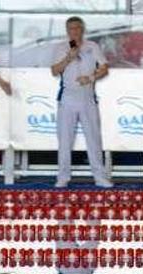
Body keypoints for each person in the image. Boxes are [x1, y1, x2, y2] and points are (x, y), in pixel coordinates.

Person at [50, 16, 111, 189]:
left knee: (93, 138)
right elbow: (54, 71)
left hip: (87, 97)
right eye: (70, 28)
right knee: (65, 140)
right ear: (67, 30)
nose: (74, 31)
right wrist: (69, 57)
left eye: (77, 28)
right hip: (67, 98)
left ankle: (100, 177)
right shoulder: (61, 47)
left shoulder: (92, 46)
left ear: (82, 29)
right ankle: (63, 177)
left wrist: (91, 77)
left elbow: (104, 68)